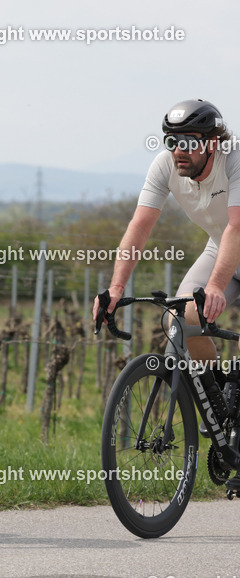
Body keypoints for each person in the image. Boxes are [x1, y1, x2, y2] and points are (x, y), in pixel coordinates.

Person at [94, 99, 240, 389]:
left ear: (213, 143)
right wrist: (116, 288)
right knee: (184, 319)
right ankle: (219, 396)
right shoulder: (164, 166)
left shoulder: (234, 159)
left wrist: (214, 286)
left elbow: (237, 226)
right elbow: (140, 226)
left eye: (188, 141)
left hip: (233, 241)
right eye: (172, 140)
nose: (178, 150)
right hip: (221, 250)